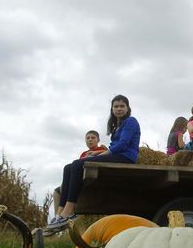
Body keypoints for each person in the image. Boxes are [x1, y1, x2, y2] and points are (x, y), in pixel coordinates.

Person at [44, 94, 141, 233]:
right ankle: (60, 213)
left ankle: (69, 211)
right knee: (69, 167)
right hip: (118, 154)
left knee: (78, 164)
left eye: (122, 106)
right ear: (112, 109)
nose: (119, 109)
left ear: (127, 108)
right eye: (116, 106)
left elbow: (123, 145)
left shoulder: (131, 121)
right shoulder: (116, 126)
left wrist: (101, 153)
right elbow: (114, 146)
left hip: (126, 156)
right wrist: (98, 153)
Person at [53, 130, 108, 217]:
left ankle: (65, 212)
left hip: (91, 180)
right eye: (88, 138)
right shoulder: (84, 153)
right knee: (58, 190)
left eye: (93, 138)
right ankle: (59, 213)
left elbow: (107, 153)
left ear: (98, 140)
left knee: (69, 168)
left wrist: (96, 153)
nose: (90, 140)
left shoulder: (102, 150)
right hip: (79, 178)